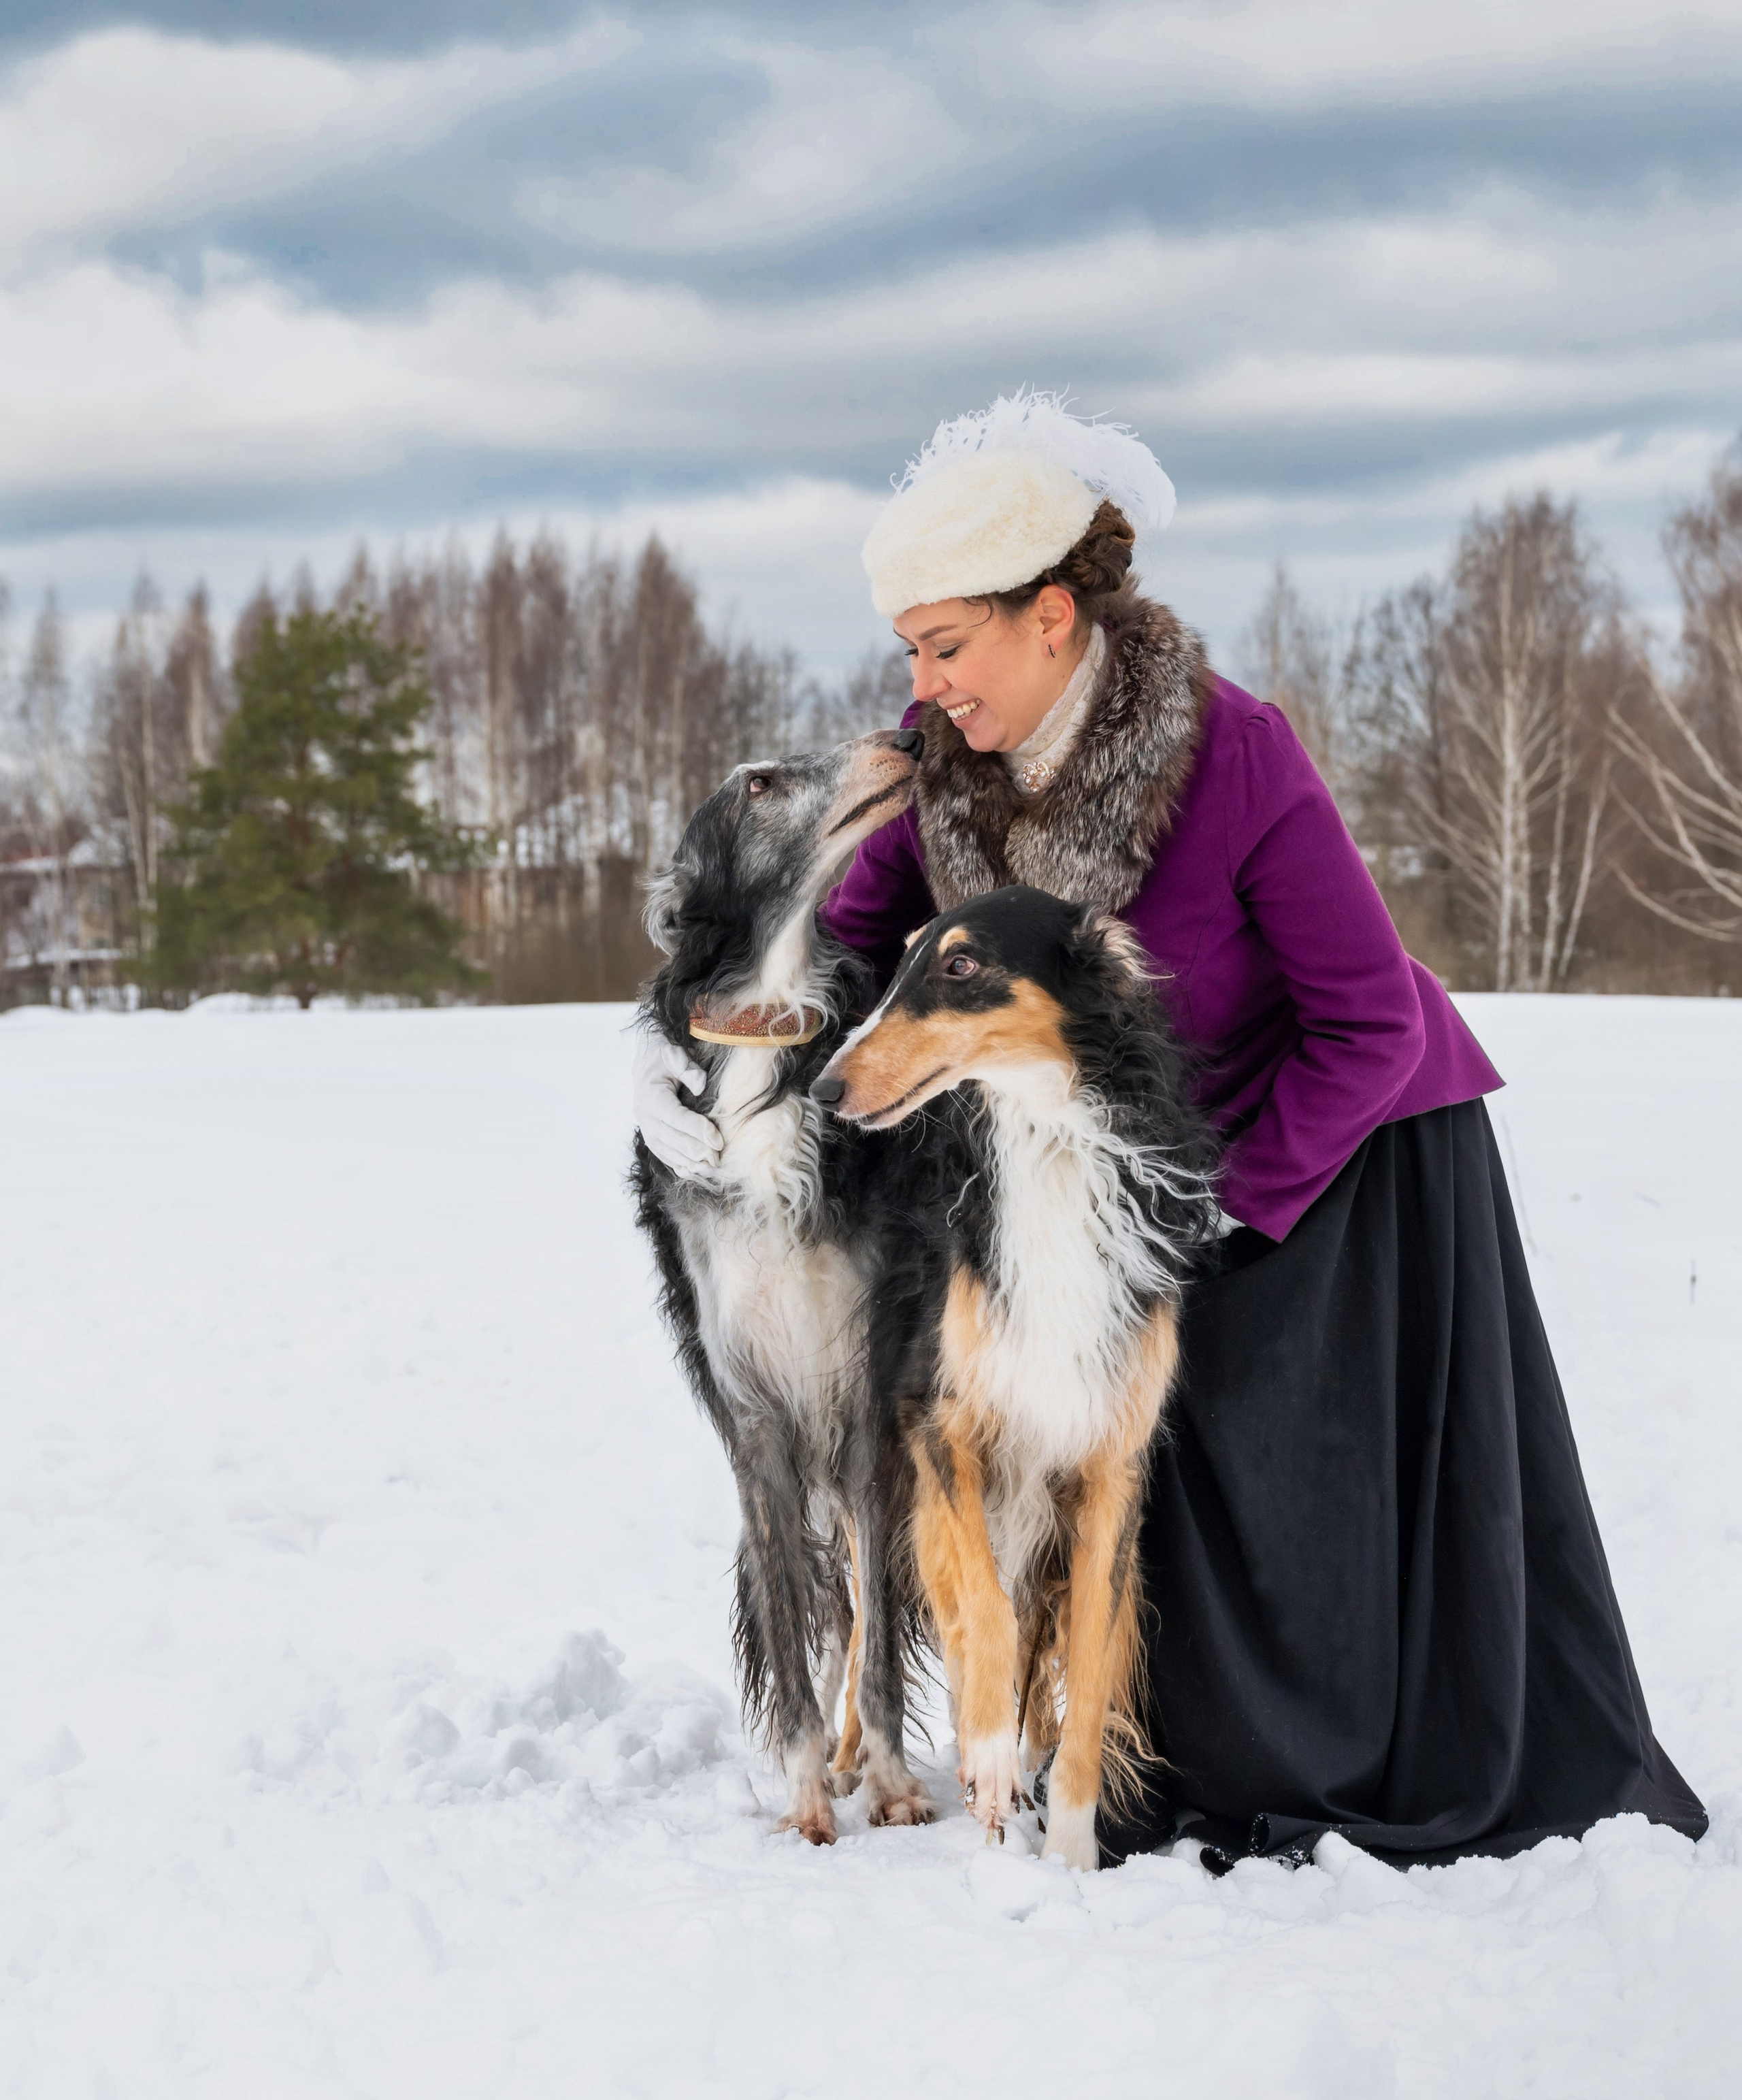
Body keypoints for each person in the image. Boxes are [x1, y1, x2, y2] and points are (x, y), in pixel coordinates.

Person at [632, 391, 1706, 1870]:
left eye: (948, 643)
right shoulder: (940, 759)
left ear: (1053, 617)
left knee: (1266, 1474)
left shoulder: (1233, 753)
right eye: (910, 650)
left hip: (1330, 1147)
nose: (923, 682)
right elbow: (848, 958)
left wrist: (1210, 1213)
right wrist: (702, 1062)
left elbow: (1364, 1022)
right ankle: (1139, 1761)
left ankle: (1345, 1771)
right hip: (1117, 1175)